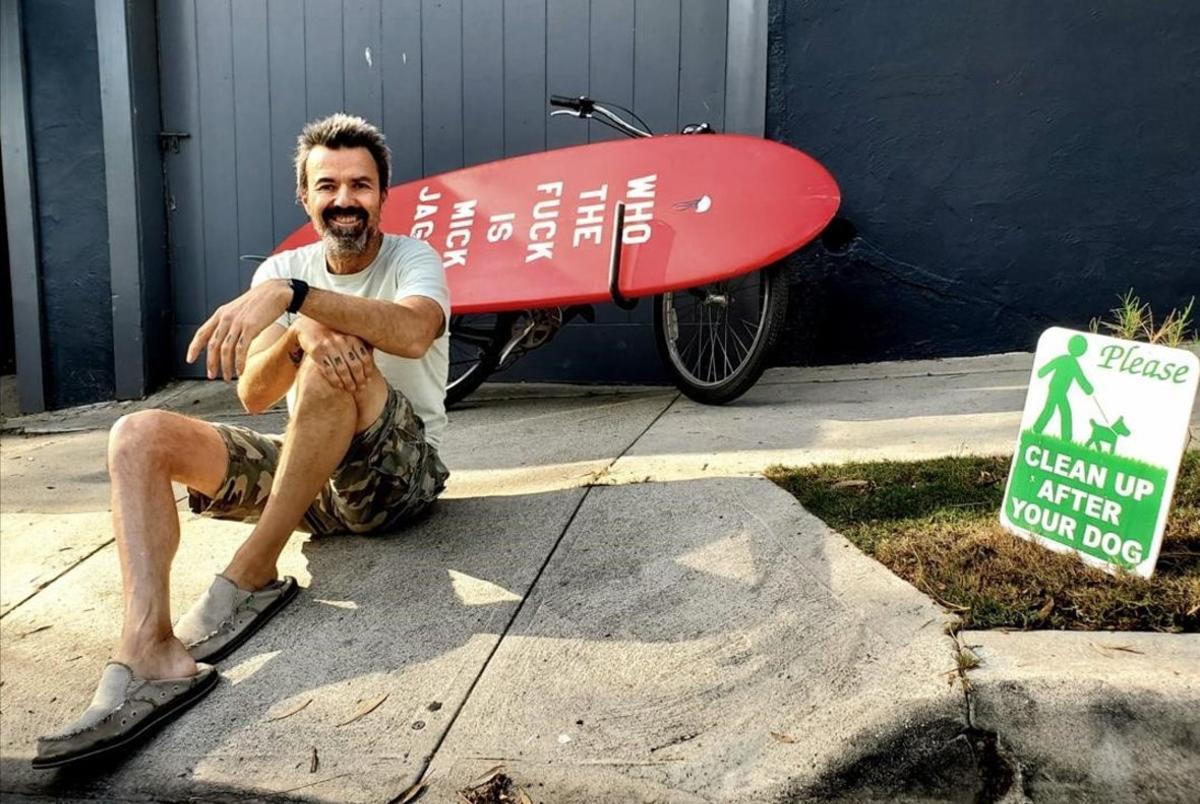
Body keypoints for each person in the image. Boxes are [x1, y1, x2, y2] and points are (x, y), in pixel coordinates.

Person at [34, 114, 451, 769]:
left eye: (361, 185)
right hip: (306, 473)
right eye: (328, 185)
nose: (345, 199)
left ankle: (253, 570)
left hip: (397, 478)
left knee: (332, 359)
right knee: (138, 434)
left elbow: (413, 333)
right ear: (305, 198)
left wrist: (301, 303)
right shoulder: (284, 265)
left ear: (383, 195)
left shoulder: (412, 259)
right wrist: (296, 331)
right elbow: (255, 395)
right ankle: (148, 646)